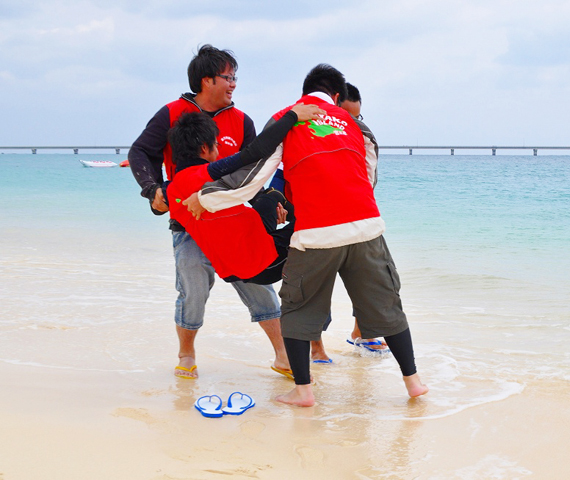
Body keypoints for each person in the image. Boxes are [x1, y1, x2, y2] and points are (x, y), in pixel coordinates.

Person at [185, 64, 429, 406]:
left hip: (315, 233)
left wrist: (207, 197)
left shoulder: (288, 118)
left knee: (298, 310)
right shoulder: (356, 124)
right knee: (388, 305)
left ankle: (303, 392)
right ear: (337, 97)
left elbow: (253, 173)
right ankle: (414, 382)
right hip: (366, 227)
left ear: (305, 92)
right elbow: (369, 170)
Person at [127, 44, 289, 380]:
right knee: (193, 288)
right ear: (207, 81)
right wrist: (153, 189)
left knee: (258, 283)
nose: (233, 84)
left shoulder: (241, 120)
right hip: (189, 222)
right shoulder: (172, 113)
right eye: (227, 78)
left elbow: (254, 171)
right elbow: (141, 151)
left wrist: (272, 202)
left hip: (232, 221)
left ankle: (283, 356)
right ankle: (186, 354)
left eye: (234, 78)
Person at [166, 106, 323, 284]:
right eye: (216, 144)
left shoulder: (171, 190)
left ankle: (289, 214)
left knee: (272, 196)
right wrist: (292, 117)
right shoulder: (207, 173)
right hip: (265, 264)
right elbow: (254, 153)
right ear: (204, 148)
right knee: (319, 221)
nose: (218, 148)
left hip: (232, 267)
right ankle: (301, 220)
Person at [339, 82, 389, 354]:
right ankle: (315, 348)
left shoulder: (362, 139)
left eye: (357, 118)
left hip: (356, 218)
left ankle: (362, 332)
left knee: (368, 277)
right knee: (315, 288)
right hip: (319, 220)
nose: (353, 125)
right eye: (347, 118)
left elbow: (370, 180)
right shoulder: (310, 134)